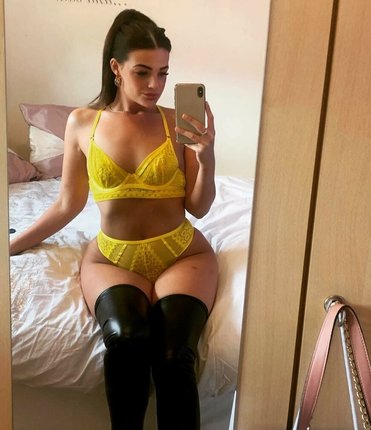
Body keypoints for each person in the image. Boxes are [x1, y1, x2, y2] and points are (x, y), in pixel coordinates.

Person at [10, 9, 218, 430]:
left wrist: (206, 156)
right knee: (126, 339)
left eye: (163, 73)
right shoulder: (82, 123)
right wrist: (11, 245)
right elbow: (67, 205)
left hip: (181, 255)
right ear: (116, 68)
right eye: (143, 72)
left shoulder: (176, 122)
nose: (155, 85)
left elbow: (199, 207)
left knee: (174, 355)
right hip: (113, 259)